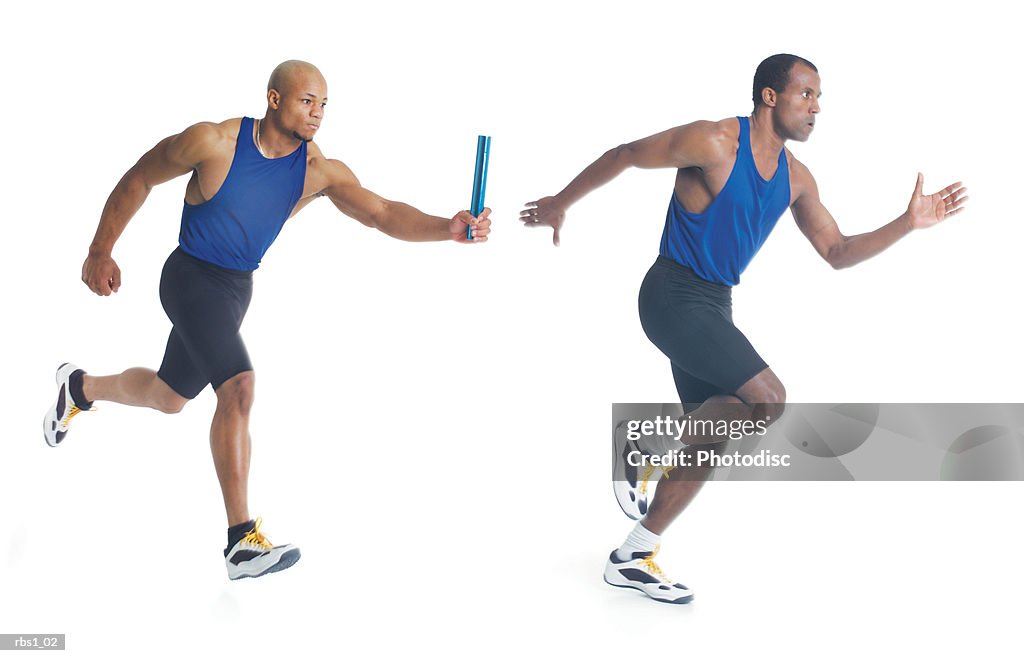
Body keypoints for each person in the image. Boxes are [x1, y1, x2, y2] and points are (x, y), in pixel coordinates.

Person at [520, 53, 966, 604]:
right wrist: (560, 203)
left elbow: (838, 251)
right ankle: (644, 444)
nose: (817, 107)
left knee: (713, 436)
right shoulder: (713, 142)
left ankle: (634, 554)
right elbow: (627, 155)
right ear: (770, 97)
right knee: (769, 399)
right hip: (671, 294)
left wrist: (907, 223)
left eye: (820, 97)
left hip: (714, 304)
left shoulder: (797, 179)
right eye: (807, 94)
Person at [43, 60, 492, 581]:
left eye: (324, 104)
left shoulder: (316, 170)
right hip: (189, 277)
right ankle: (241, 543)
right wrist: (101, 250)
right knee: (239, 387)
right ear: (274, 99)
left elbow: (381, 213)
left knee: (170, 397)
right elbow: (140, 176)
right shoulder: (213, 142)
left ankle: (78, 388)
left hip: (235, 290)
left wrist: (449, 228)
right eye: (307, 101)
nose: (318, 113)